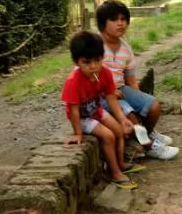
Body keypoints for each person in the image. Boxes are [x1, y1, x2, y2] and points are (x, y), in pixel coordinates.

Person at [96, 0, 179, 160]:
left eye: (123, 19)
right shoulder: (95, 46)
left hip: (121, 89)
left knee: (153, 105)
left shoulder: (125, 48)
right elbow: (87, 75)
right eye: (114, 20)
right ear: (102, 24)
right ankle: (149, 147)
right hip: (101, 94)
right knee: (131, 117)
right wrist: (109, 90)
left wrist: (140, 101)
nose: (120, 24)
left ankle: (148, 134)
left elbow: (131, 79)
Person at [61, 31, 143, 190]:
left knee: (119, 131)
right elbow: (74, 111)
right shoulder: (73, 81)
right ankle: (114, 173)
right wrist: (78, 133)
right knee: (108, 136)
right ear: (77, 62)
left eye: (97, 60)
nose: (93, 66)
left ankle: (120, 163)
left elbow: (111, 98)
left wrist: (121, 118)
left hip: (95, 110)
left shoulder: (104, 73)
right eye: (86, 62)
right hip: (83, 117)